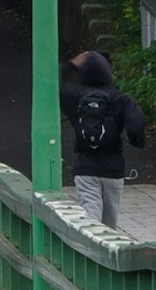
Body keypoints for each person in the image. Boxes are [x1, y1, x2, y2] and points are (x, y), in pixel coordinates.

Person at [59, 48, 147, 235]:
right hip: (113, 168)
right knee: (109, 223)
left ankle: (88, 254)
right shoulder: (121, 99)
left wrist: (71, 65)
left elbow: (57, 82)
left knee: (90, 215)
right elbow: (135, 126)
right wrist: (137, 141)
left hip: (85, 167)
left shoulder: (76, 97)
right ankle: (107, 257)